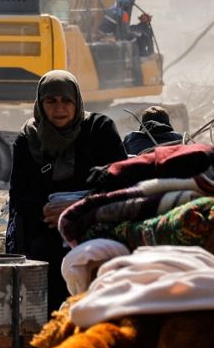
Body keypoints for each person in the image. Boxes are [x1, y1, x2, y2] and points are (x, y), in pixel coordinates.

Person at [8, 70, 126, 308]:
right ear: (41, 104)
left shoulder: (99, 130)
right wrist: (50, 212)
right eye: (51, 101)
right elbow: (19, 195)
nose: (59, 108)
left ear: (77, 102)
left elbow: (121, 181)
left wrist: (80, 207)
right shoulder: (28, 139)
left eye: (66, 101)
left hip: (96, 226)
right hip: (46, 231)